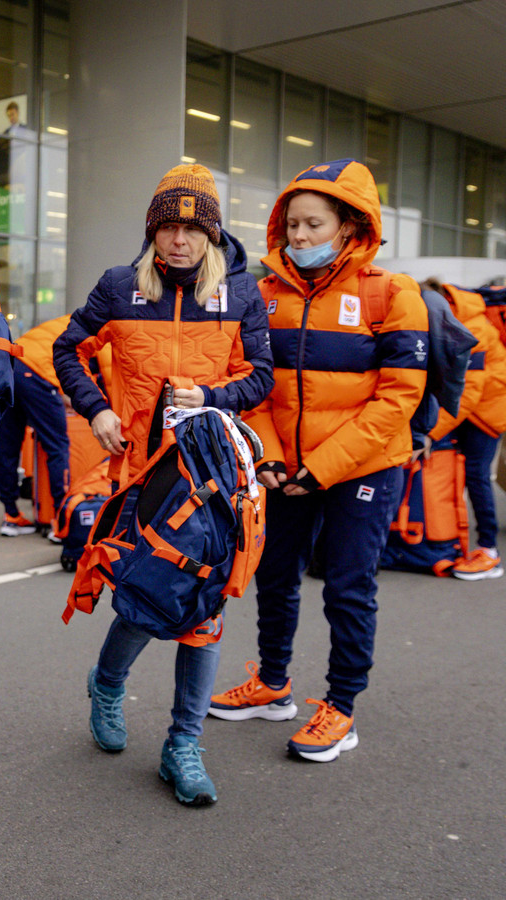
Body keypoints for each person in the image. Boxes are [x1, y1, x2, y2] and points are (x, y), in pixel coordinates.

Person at [53, 164, 273, 806]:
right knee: (145, 599)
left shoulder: (240, 293)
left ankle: (183, 745)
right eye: (167, 227)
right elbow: (68, 350)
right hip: (142, 476)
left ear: (211, 233)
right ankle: (108, 683)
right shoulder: (121, 287)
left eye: (191, 227)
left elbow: (260, 378)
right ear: (152, 232)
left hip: (211, 481)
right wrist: (97, 410)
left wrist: (211, 395)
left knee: (205, 608)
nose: (179, 240)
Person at [209, 159, 429, 763]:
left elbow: (398, 399)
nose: (299, 238)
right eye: (293, 225)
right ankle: (273, 684)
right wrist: (272, 461)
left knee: (348, 587)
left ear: (349, 227)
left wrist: (321, 468)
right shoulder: (263, 294)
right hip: (283, 470)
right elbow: (250, 384)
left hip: (362, 468)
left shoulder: (391, 294)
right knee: (274, 578)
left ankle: (342, 706)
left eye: (314, 225)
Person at [420, 278, 506, 580]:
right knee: (463, 473)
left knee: (477, 475)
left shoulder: (475, 327)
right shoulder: (456, 318)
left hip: (488, 413)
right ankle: (460, 542)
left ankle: (489, 552)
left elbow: (468, 394)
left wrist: (431, 432)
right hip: (473, 410)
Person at [0, 314, 72, 538]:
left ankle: (10, 515)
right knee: (57, 445)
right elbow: (106, 375)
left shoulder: (64, 320)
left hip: (10, 365)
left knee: (8, 445)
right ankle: (62, 520)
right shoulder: (102, 329)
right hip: (38, 373)